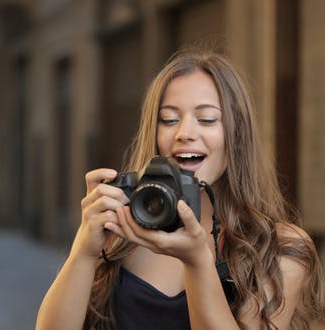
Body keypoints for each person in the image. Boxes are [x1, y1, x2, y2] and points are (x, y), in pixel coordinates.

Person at [36, 48, 324, 329]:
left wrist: (198, 261)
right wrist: (83, 252)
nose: (184, 133)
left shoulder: (279, 248)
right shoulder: (122, 229)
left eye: (207, 119)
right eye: (169, 119)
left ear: (236, 135)